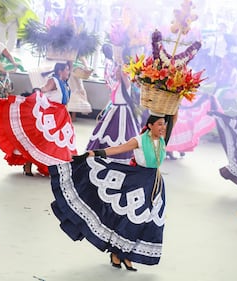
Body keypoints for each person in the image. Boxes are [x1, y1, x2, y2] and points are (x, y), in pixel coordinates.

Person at [49, 110, 177, 270]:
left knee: (147, 222)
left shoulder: (163, 139)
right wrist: (92, 153)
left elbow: (173, 118)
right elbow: (117, 149)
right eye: (159, 124)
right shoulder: (139, 140)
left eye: (163, 124)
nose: (162, 127)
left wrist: (176, 99)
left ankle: (126, 254)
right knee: (130, 220)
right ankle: (118, 253)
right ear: (150, 126)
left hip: (155, 186)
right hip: (137, 182)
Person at [0, 62, 78, 176]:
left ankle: (55, 166)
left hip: (62, 116)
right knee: (39, 139)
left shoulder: (64, 83)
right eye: (66, 69)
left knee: (57, 143)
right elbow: (45, 89)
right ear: (60, 71)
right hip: (51, 115)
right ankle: (29, 164)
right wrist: (37, 90)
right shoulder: (54, 80)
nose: (68, 72)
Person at [86, 43, 140, 160]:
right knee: (104, 133)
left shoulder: (126, 83)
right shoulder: (117, 84)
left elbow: (124, 73)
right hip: (114, 110)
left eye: (117, 71)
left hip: (123, 112)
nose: (115, 72)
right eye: (116, 70)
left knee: (121, 135)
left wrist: (121, 60)